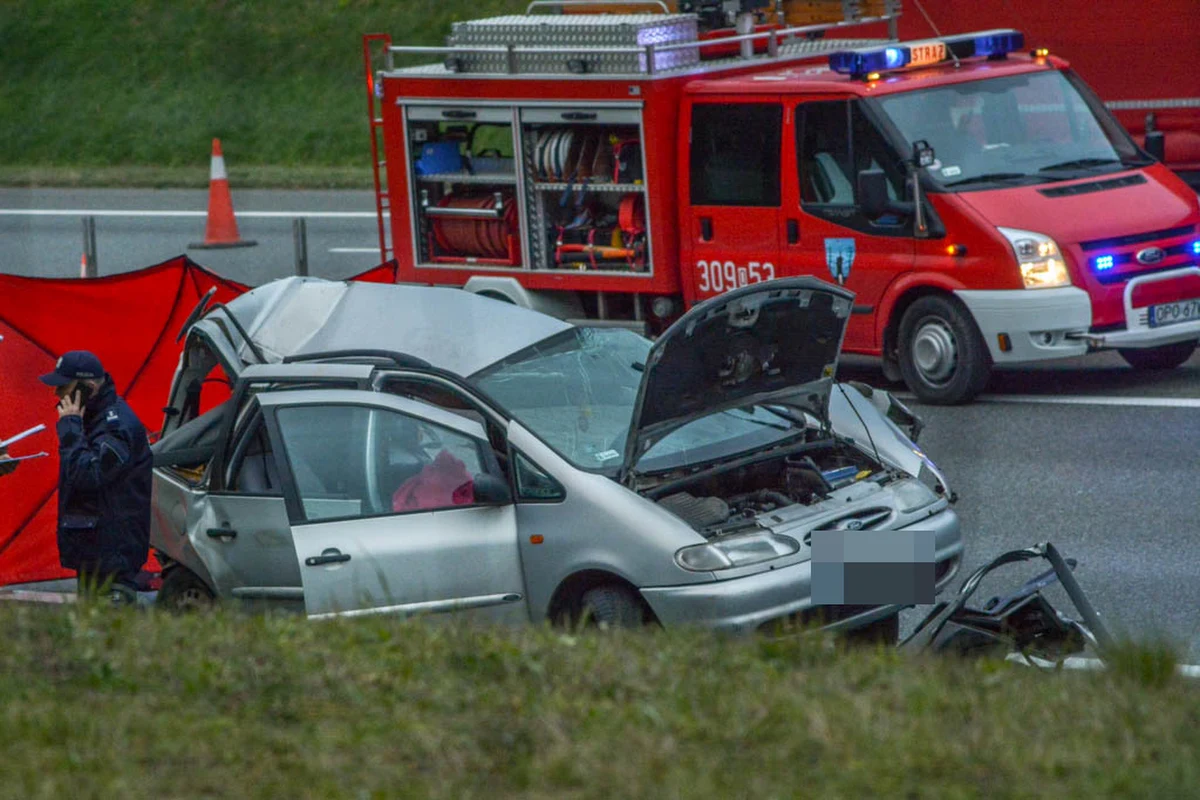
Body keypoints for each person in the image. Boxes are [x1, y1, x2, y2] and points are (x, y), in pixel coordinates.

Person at [40, 351, 152, 606]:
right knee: (89, 623)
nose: (57, 394)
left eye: (63, 387)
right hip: (93, 552)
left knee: (109, 627)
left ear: (88, 388)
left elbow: (89, 475)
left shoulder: (116, 426)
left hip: (112, 555)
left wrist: (70, 431)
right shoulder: (90, 420)